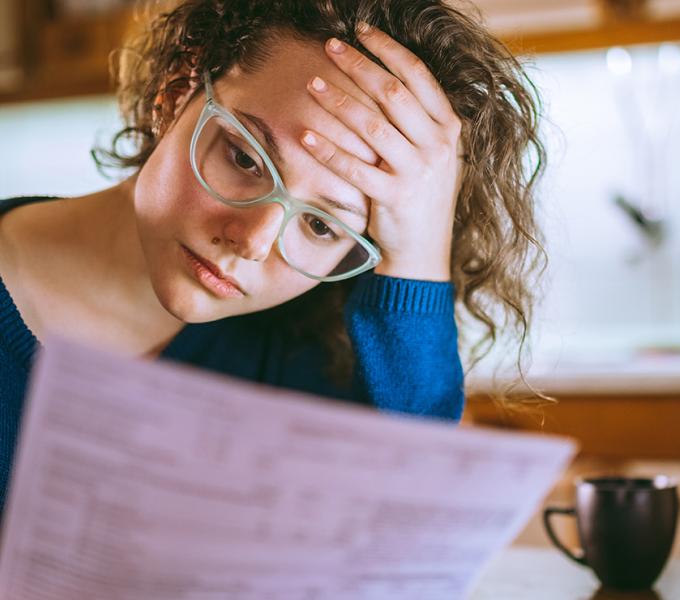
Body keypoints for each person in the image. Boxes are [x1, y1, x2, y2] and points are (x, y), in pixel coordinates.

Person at [0, 0, 546, 511]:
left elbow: (411, 519)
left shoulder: (298, 362)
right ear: (175, 93)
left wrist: (419, 258)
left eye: (319, 225)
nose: (254, 241)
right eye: (244, 158)